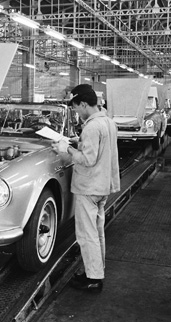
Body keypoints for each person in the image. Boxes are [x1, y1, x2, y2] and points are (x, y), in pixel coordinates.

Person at [52, 84, 120, 292]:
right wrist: (79, 141)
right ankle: (97, 271)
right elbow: (100, 150)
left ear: (83, 104)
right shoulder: (108, 122)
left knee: (86, 235)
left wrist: (68, 149)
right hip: (103, 186)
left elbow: (88, 160)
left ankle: (93, 278)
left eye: (76, 108)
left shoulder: (91, 127)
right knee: (98, 232)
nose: (76, 113)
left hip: (88, 187)